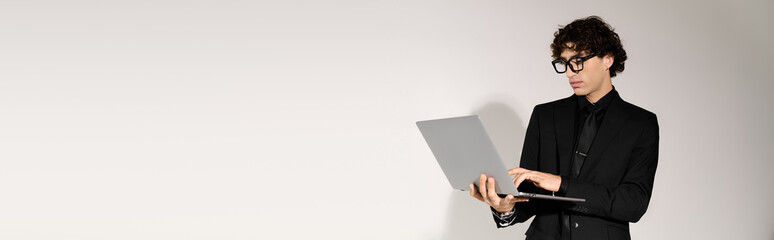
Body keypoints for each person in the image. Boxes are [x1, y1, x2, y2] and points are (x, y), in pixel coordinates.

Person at [469, 16, 659, 240]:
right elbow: (529, 196)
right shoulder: (545, 116)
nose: (570, 72)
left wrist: (561, 184)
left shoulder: (640, 123)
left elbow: (633, 204)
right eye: (564, 63)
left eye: (578, 61)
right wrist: (505, 208)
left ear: (608, 59)